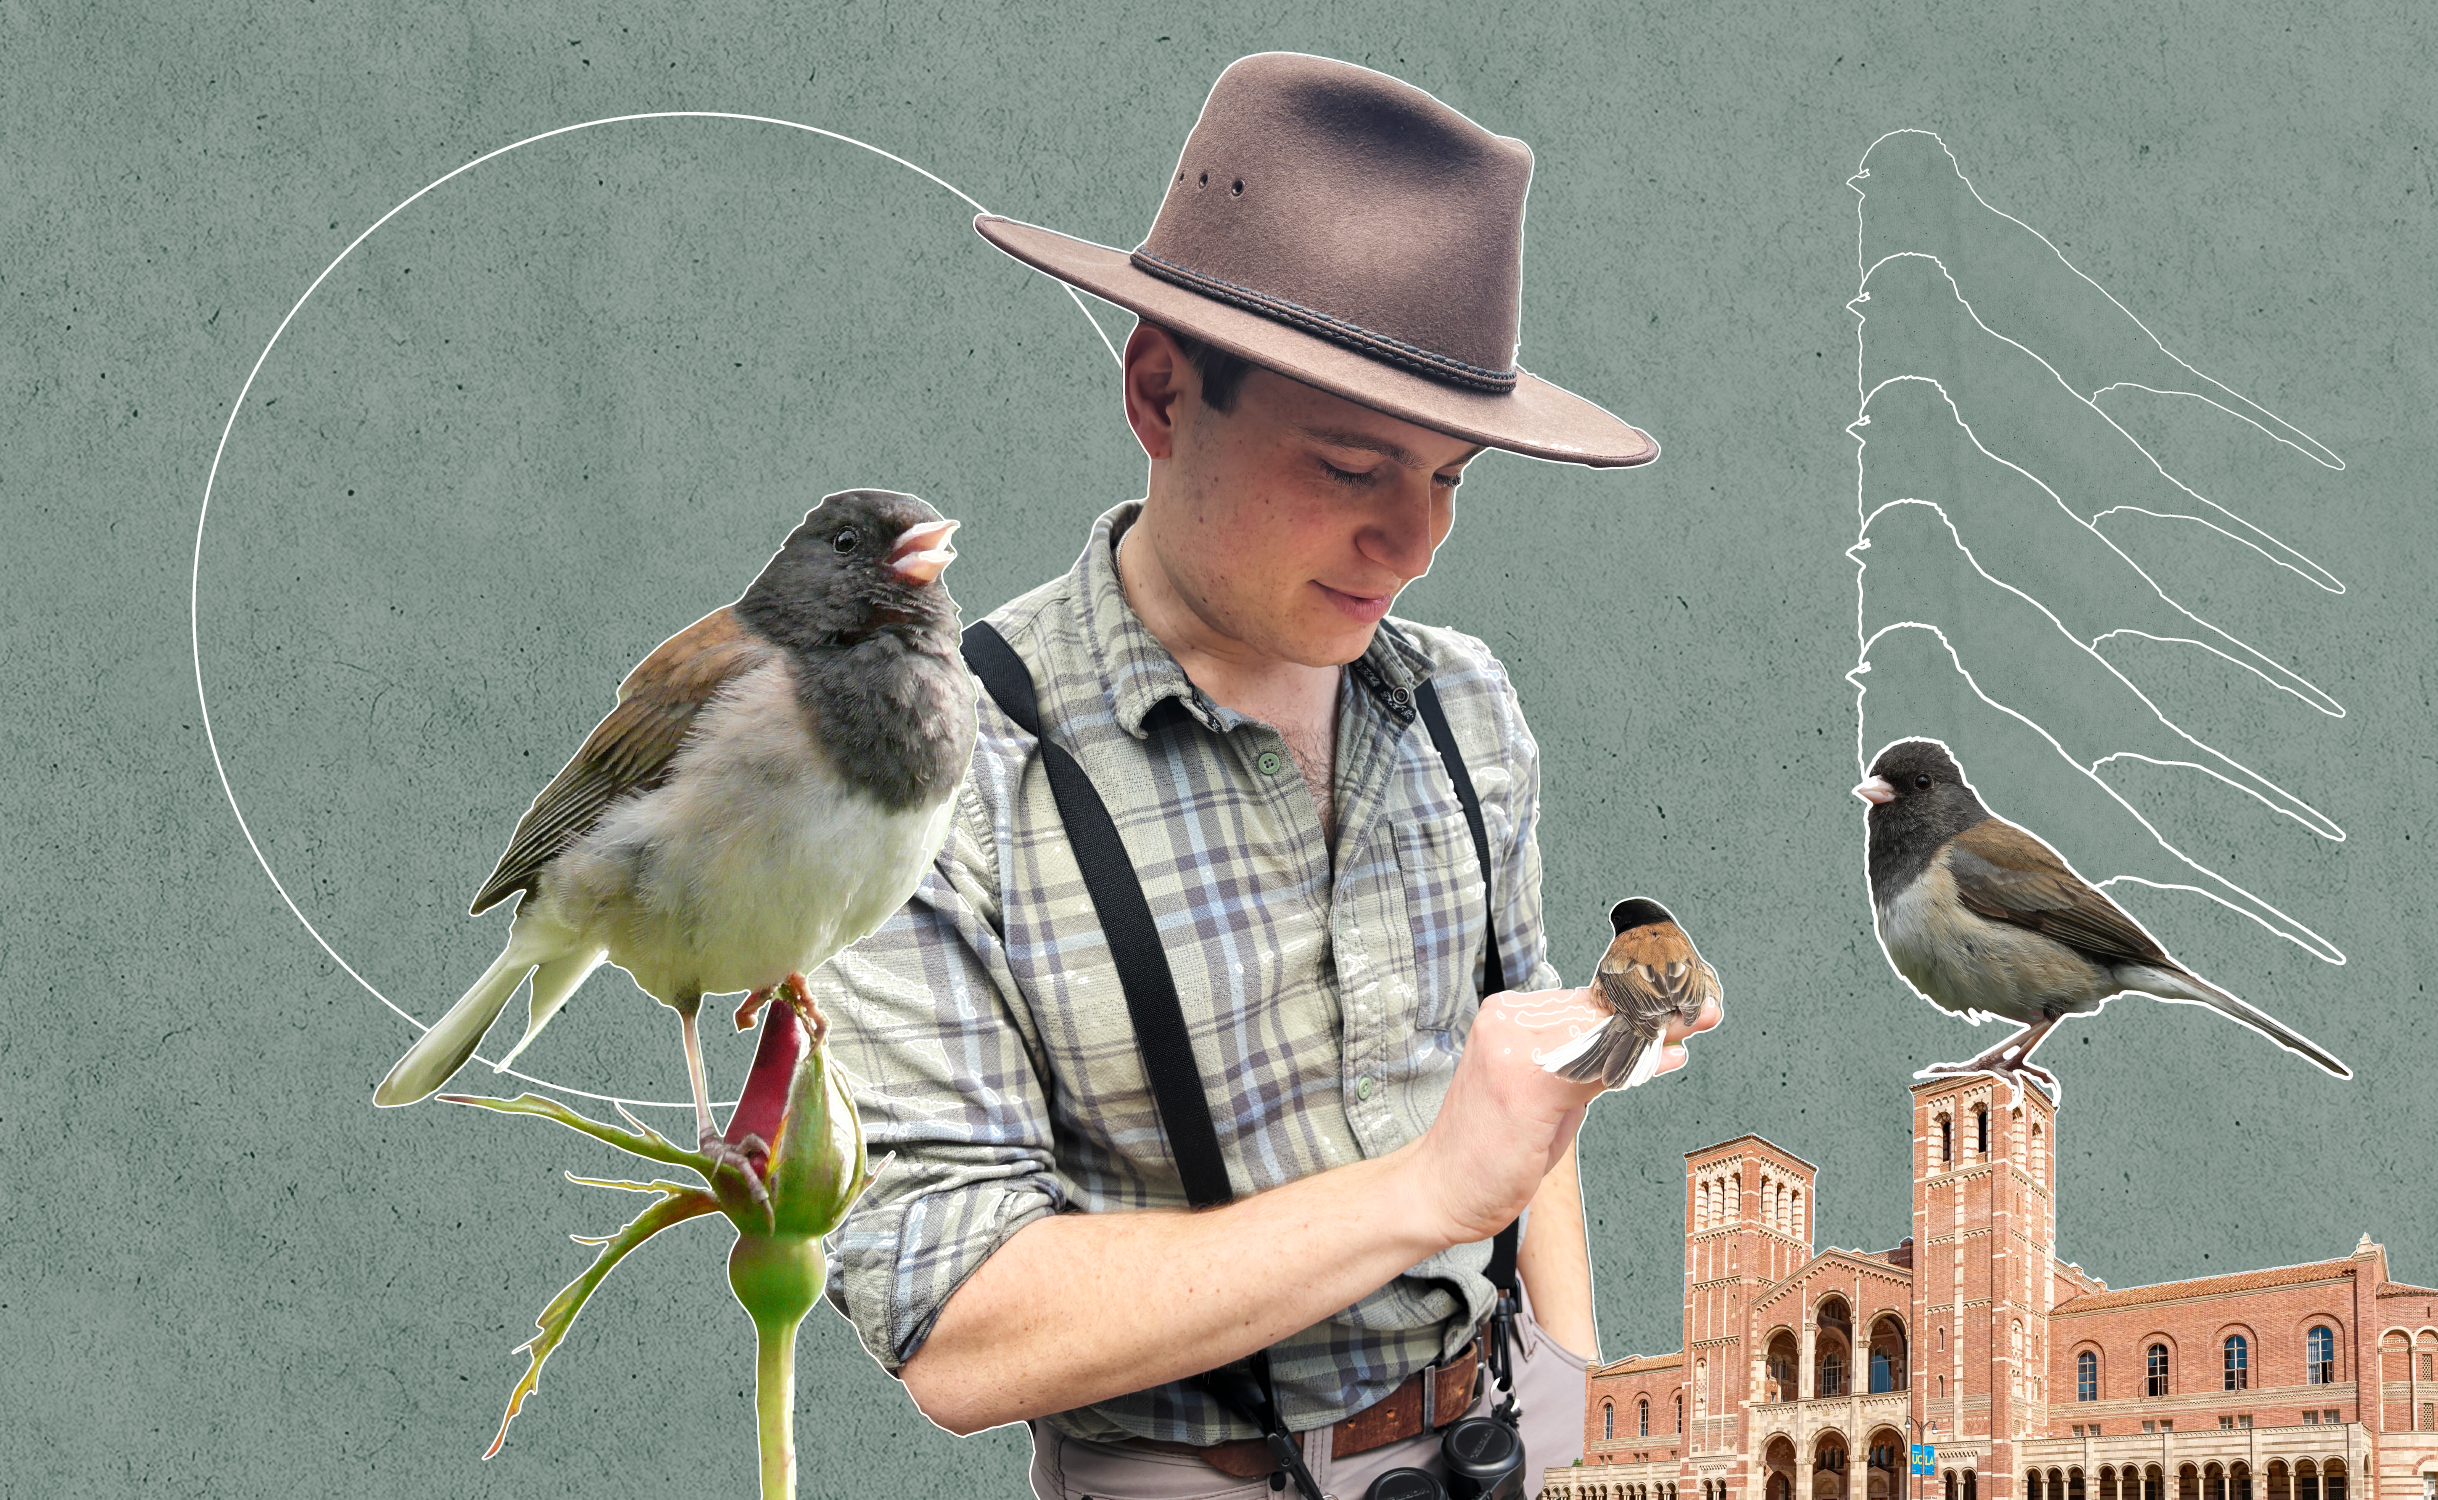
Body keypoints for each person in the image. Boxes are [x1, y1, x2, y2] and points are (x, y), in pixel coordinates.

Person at [812, 51, 1720, 1499]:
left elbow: (1521, 1092)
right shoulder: (929, 775)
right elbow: (954, 1334)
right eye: (1352, 465)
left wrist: (1569, 1398)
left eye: (1448, 478)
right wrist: (1423, 1192)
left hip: (1496, 1446)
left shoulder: (1464, 704)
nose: (1412, 542)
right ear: (1162, 391)